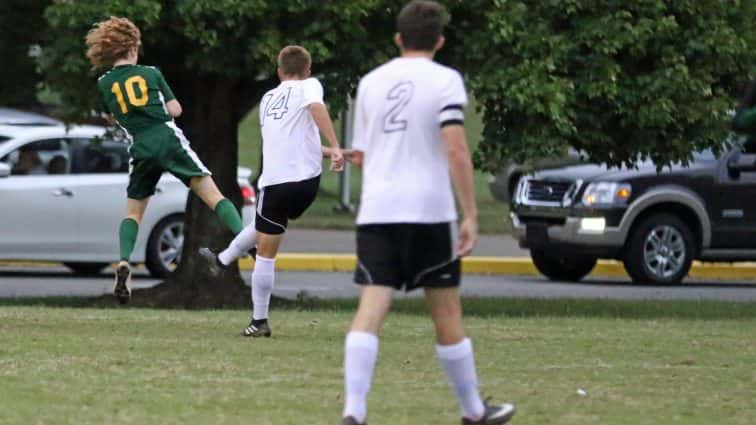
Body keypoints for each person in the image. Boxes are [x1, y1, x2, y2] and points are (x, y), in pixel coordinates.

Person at [340, 2, 515, 424]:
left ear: (398, 38)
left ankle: (354, 411)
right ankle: (474, 411)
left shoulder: (370, 82)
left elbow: (361, 154)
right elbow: (455, 147)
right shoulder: (446, 80)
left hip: (378, 211)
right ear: (440, 40)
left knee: (371, 307)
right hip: (429, 212)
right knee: (446, 313)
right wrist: (471, 214)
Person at [85, 17, 245, 304]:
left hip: (141, 146)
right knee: (213, 195)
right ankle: (249, 243)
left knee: (133, 213)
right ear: (133, 46)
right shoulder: (150, 73)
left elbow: (116, 116)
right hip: (166, 138)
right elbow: (175, 109)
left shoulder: (104, 82)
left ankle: (123, 263)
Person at [198, 45, 344, 337]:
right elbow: (304, 136)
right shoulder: (310, 86)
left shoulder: (267, 99)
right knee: (264, 225)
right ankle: (225, 258)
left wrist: (336, 146)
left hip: (276, 183)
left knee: (265, 253)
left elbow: (314, 112)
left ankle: (259, 322)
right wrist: (334, 151)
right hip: (306, 183)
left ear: (279, 73)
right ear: (308, 70)